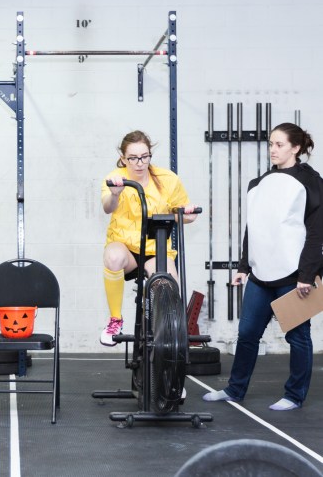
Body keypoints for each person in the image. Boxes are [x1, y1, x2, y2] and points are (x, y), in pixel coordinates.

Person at [203, 123, 323, 411]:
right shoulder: (261, 183)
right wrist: (243, 266)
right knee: (247, 335)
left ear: (295, 148)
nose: (272, 149)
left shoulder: (311, 182)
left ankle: (294, 396)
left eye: (279, 144)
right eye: (270, 144)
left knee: (298, 337)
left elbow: (316, 232)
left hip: (293, 276)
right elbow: (254, 227)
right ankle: (235, 389)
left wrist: (307, 275)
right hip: (260, 275)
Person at [100, 130, 198, 346]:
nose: (139, 163)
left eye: (144, 157)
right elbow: (108, 207)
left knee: (169, 287)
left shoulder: (167, 179)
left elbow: (183, 213)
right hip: (127, 250)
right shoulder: (115, 179)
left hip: (156, 250)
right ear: (123, 158)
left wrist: (187, 214)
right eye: (133, 158)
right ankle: (115, 319)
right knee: (113, 257)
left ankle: (165, 332)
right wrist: (115, 193)